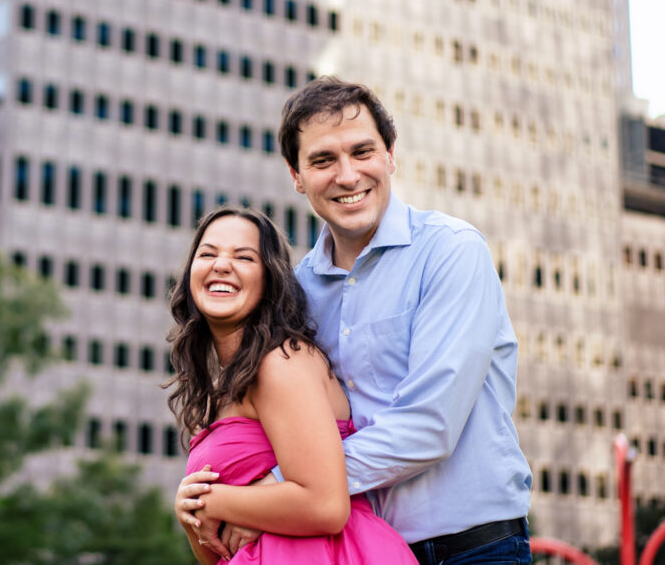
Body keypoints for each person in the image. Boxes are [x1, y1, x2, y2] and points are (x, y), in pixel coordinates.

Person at [184, 77, 533, 564]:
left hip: (473, 548)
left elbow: (430, 423)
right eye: (323, 160)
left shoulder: (450, 251)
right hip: (357, 550)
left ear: (391, 155)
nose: (347, 176)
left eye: (362, 152)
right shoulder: (295, 291)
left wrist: (274, 493)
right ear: (296, 176)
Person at [167, 206, 417, 565]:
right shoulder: (220, 391)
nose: (221, 265)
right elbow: (222, 552)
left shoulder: (280, 362)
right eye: (208, 253)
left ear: (270, 280)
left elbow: (326, 506)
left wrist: (213, 500)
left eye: (244, 257)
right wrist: (190, 515)